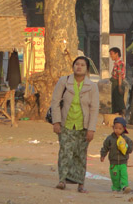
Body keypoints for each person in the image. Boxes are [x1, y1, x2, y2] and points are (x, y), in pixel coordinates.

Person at [51, 56, 99, 193]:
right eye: (77, 64)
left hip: (83, 126)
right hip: (66, 123)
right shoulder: (64, 82)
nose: (79, 67)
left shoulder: (92, 86)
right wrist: (56, 122)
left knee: (80, 154)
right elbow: (55, 102)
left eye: (82, 65)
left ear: (87, 69)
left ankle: (80, 183)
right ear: (73, 67)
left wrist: (91, 129)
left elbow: (94, 108)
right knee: (65, 152)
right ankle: (62, 180)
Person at [100, 117, 133, 193]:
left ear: (124, 129)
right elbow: (105, 147)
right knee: (115, 176)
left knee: (123, 175)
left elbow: (130, 148)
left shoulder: (126, 139)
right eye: (116, 128)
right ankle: (115, 187)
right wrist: (103, 155)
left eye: (120, 128)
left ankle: (125, 186)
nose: (117, 130)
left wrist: (126, 147)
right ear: (113, 128)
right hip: (113, 162)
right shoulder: (110, 139)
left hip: (123, 161)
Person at [109, 47, 126, 115]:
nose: (111, 56)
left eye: (112, 54)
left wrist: (119, 86)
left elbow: (120, 75)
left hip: (117, 82)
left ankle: (122, 114)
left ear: (117, 54)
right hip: (114, 82)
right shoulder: (116, 63)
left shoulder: (120, 63)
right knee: (115, 100)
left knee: (119, 101)